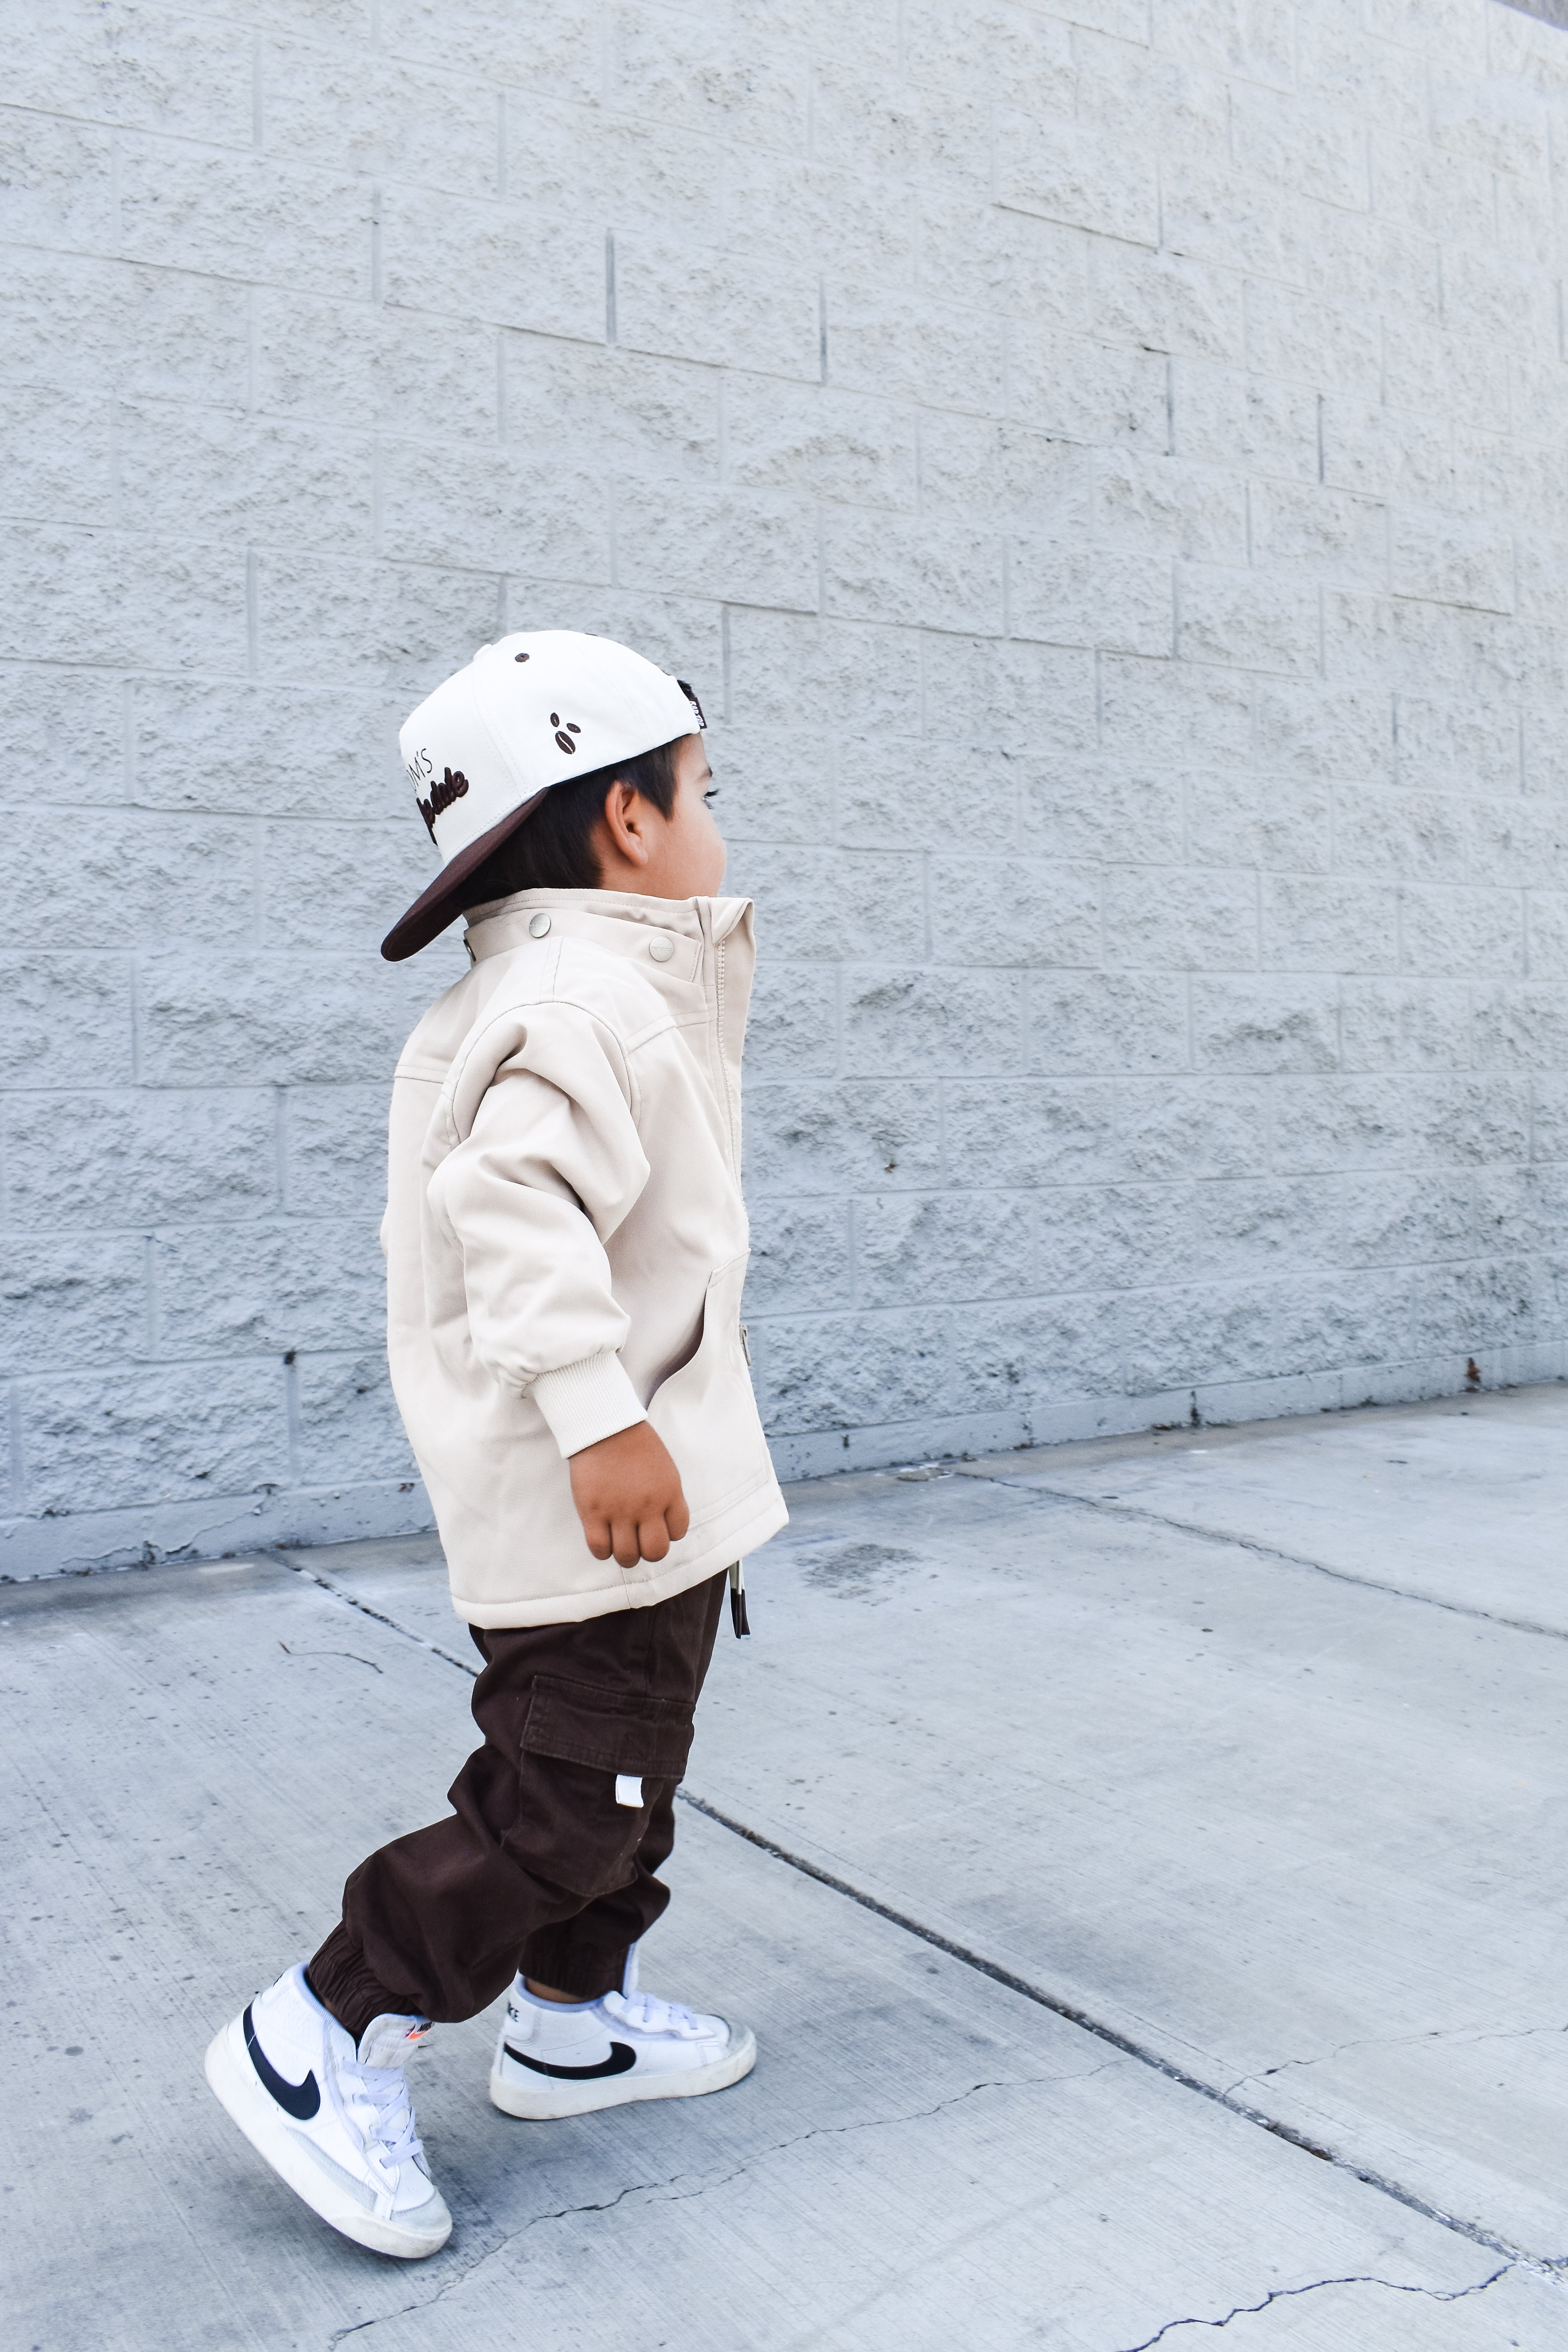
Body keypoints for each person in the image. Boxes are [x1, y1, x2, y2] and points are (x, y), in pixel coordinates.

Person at [205, 630, 787, 2259]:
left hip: (640, 1501)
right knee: (564, 1799)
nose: (716, 823)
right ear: (626, 823)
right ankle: (326, 2027)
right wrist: (604, 1419)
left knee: (625, 1777)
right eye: (703, 790)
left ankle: (571, 2018)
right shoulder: (584, 993)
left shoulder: (575, 983)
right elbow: (511, 1208)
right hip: (586, 1495)